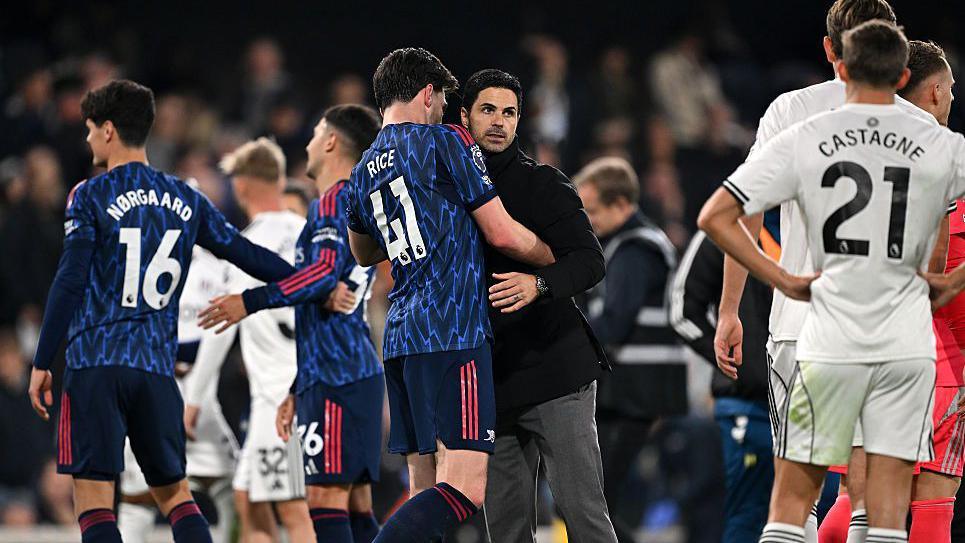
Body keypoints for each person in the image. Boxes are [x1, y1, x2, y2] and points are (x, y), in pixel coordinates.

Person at [698, 20, 965, 543]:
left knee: (793, 503)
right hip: (902, 344)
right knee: (884, 510)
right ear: (904, 74)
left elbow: (716, 216)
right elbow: (937, 249)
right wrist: (946, 282)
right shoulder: (936, 143)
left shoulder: (807, 135)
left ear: (841, 66)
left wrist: (785, 280)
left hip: (826, 333)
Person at [26, 79, 297, 543]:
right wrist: (308, 276)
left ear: (109, 130)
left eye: (91, 129)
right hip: (156, 371)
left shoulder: (89, 196)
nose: (87, 139)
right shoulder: (187, 199)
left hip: (97, 363)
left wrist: (42, 360)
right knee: (175, 497)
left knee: (94, 502)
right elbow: (244, 253)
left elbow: (69, 281)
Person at [342, 48, 554, 542]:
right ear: (426, 94)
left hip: (400, 337)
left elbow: (361, 252)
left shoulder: (363, 168)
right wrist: (553, 258)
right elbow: (501, 234)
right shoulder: (444, 141)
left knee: (424, 492)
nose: (442, 110)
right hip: (452, 331)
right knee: (462, 490)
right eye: (440, 101)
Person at [199, 105, 386, 543]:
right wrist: (297, 386)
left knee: (323, 502)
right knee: (357, 509)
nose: (307, 142)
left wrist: (249, 301)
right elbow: (329, 284)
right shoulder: (355, 201)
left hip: (338, 376)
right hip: (344, 370)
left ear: (331, 142)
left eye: (315, 131)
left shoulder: (333, 201)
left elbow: (321, 274)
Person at [456, 69, 615, 542]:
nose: (499, 122)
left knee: (583, 515)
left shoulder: (544, 184)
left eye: (509, 113)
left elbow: (590, 262)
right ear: (464, 115)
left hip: (556, 372)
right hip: (494, 379)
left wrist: (539, 283)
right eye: (488, 110)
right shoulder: (445, 189)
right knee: (505, 529)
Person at [819, 39, 964, 543]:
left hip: (860, 349)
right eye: (950, 90)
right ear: (934, 92)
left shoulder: (857, 159)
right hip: (941, 357)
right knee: (931, 507)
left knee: (852, 502)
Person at [183, 138, 314, 542]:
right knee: (247, 501)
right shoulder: (309, 233)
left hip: (276, 400)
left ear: (241, 186)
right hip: (306, 385)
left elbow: (220, 329)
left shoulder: (247, 245)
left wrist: (194, 399)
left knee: (292, 511)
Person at [573, 156, 685, 542]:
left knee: (594, 504)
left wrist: (566, 346)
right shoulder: (629, 244)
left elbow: (615, 321)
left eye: (593, 209)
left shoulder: (635, 249)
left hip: (633, 393)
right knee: (598, 503)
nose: (588, 219)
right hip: (632, 392)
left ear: (622, 204)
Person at [118, 240, 237, 543]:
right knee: (137, 494)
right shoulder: (133, 261)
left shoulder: (218, 267)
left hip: (203, 389)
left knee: (235, 485)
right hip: (153, 382)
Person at [670, 226, 775, 542]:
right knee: (748, 509)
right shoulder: (725, 226)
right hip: (748, 400)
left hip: (811, 398)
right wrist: (727, 358)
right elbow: (682, 312)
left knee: (818, 506)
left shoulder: (812, 217)